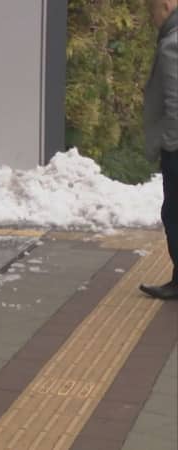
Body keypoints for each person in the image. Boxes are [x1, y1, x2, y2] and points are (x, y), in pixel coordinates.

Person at [141, 0, 178, 299]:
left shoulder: (172, 43)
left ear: (165, 6)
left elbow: (175, 102)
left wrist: (170, 144)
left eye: (151, 10)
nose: (151, 18)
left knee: (174, 213)